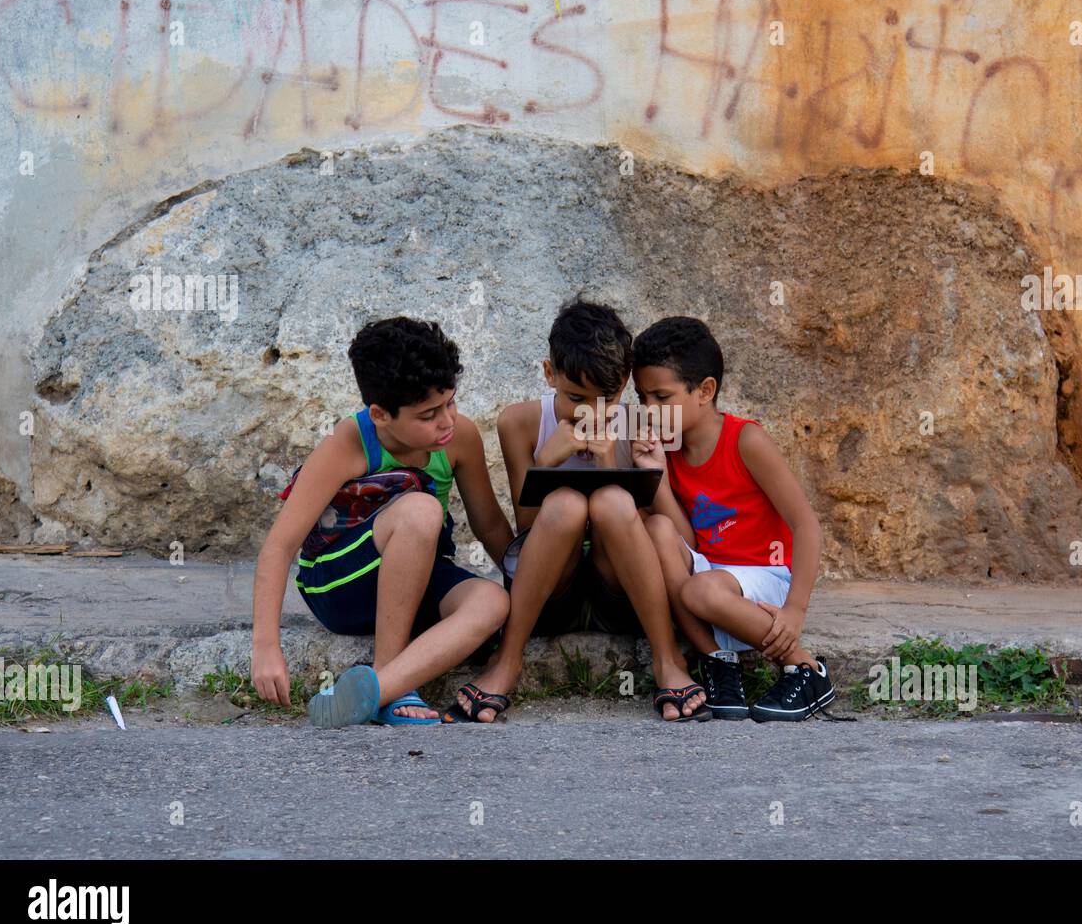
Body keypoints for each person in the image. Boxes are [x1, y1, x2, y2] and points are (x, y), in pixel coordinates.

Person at [445, 299, 710, 723]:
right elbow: (529, 527)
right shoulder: (521, 423)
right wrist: (546, 462)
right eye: (576, 398)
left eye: (608, 399)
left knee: (612, 500)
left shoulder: (637, 423)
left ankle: (667, 660)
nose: (593, 412)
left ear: (624, 381)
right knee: (566, 505)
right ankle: (508, 659)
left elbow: (649, 534)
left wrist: (611, 466)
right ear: (550, 373)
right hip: (551, 593)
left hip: (619, 592)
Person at [251, 317, 512, 727]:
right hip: (340, 586)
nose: (446, 421)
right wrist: (266, 646)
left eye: (450, 403)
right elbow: (279, 547)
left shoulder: (459, 437)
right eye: (428, 414)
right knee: (421, 510)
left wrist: (528, 590)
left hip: (416, 575)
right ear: (380, 413)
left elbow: (491, 526)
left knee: (493, 602)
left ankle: (378, 689)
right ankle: (396, 686)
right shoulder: (348, 443)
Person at [633, 316, 836, 722]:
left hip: (765, 579)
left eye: (661, 397)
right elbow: (687, 538)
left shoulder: (746, 440)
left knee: (700, 592)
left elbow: (805, 525)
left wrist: (795, 610)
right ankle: (718, 663)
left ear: (705, 390)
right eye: (642, 398)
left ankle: (808, 670)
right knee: (656, 527)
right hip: (712, 577)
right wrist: (655, 477)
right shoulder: (667, 451)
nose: (649, 411)